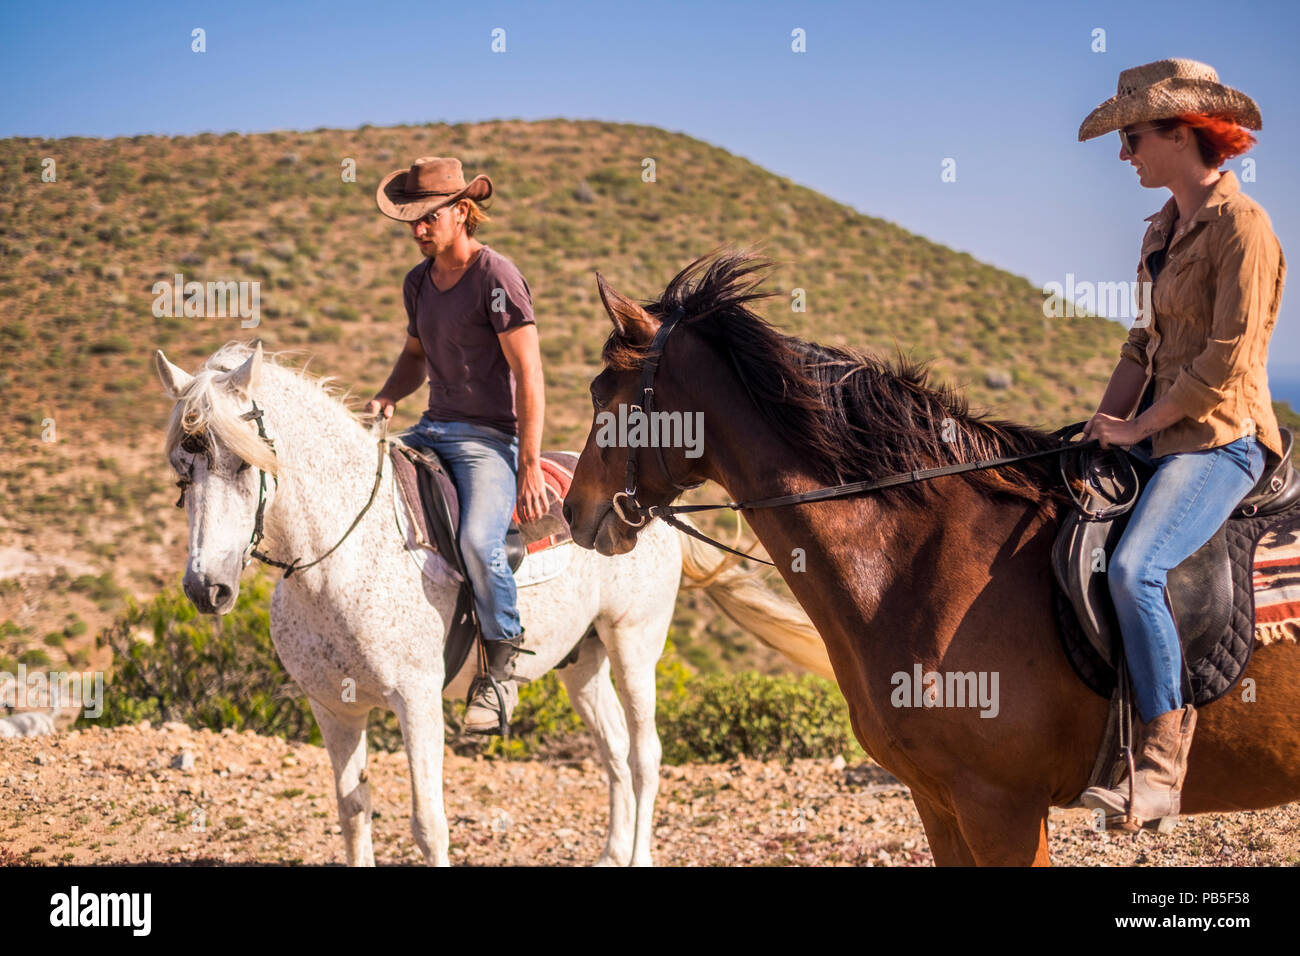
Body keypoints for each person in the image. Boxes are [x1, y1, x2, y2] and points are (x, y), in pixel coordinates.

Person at [1074, 60, 1287, 830]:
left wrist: (1136, 429)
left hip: (1221, 441)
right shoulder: (1161, 229)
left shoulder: (1245, 228)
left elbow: (1225, 365)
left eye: (1132, 137)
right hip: (1157, 435)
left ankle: (1160, 768)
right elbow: (1144, 345)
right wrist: (1097, 433)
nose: (1125, 154)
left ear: (1180, 131)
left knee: (1135, 569)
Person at [366, 156, 548, 734]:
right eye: (412, 221)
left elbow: (528, 373)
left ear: (463, 212)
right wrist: (385, 397)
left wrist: (530, 462)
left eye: (428, 218)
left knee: (477, 541)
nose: (418, 230)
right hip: (430, 427)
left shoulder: (496, 277)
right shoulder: (417, 283)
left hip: (488, 438)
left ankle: (499, 668)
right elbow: (416, 358)